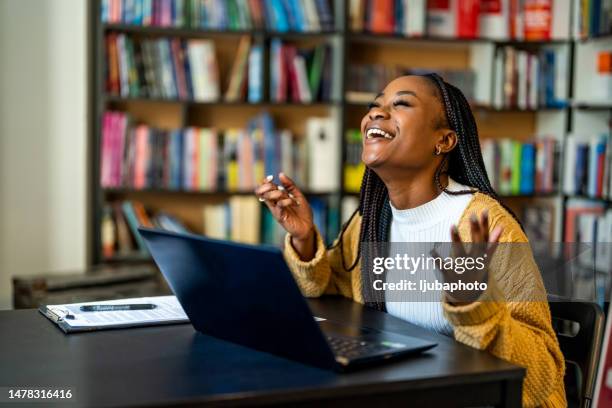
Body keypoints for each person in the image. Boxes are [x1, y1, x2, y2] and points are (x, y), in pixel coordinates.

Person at [255, 73, 566, 407]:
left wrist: (472, 303)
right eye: (375, 106)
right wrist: (303, 238)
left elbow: (541, 371)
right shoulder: (371, 221)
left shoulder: (485, 226)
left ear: (444, 141)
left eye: (400, 104)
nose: (376, 113)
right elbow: (330, 287)